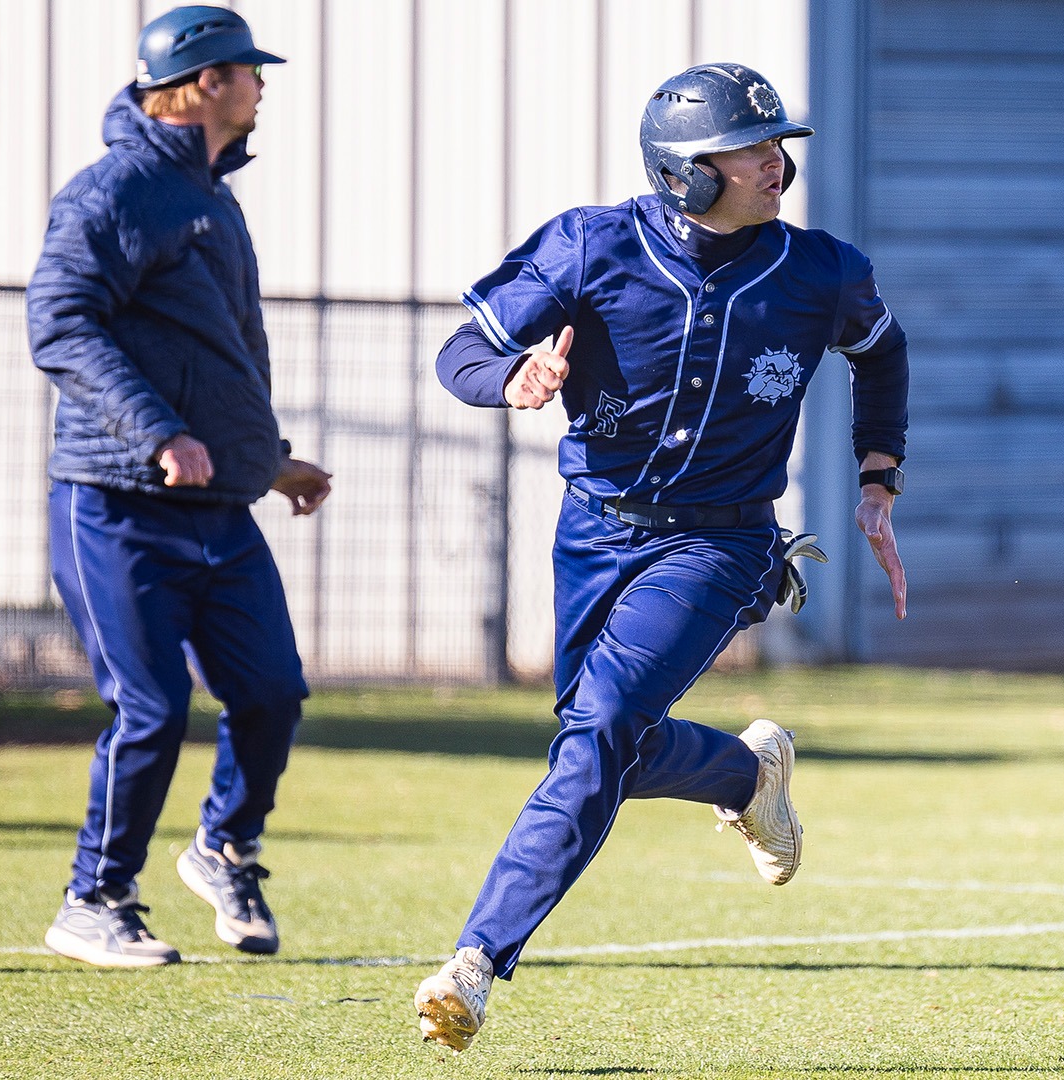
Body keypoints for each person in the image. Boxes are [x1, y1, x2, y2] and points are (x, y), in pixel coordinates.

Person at [414, 62, 910, 1050]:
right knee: (608, 743)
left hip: (722, 542)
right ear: (683, 171)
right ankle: (745, 778)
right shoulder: (590, 246)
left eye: (780, 146)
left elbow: (882, 351)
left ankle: (474, 962)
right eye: (752, 148)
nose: (777, 164)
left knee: (597, 730)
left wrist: (878, 476)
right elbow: (458, 354)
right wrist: (512, 374)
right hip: (595, 531)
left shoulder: (820, 272)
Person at [26, 5, 332, 968]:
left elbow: (217, 355)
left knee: (273, 692)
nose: (262, 85)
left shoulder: (210, 196)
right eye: (249, 70)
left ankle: (223, 847)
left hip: (217, 506)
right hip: (115, 504)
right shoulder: (116, 190)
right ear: (205, 82)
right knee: (153, 707)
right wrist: (157, 431)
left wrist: (265, 460)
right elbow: (60, 322)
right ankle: (94, 899)